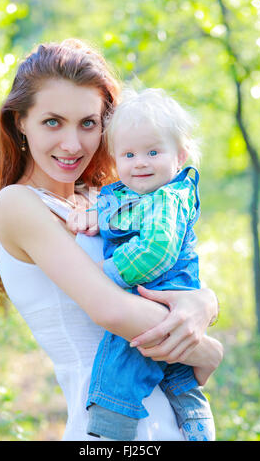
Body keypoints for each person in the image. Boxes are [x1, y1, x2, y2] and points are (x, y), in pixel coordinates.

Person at [0, 39, 222, 441]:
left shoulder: (103, 199)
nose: (73, 144)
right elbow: (111, 310)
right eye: (53, 121)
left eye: (88, 123)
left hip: (174, 423)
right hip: (111, 430)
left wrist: (204, 302)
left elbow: (172, 269)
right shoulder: (18, 205)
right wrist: (207, 350)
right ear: (20, 121)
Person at [66, 88, 215, 441]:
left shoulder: (168, 197)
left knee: (124, 363)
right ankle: (194, 424)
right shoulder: (127, 193)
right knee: (177, 375)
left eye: (153, 152)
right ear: (115, 159)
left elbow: (155, 253)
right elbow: (114, 208)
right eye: (129, 154)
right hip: (155, 302)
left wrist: (103, 275)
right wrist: (95, 212)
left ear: (179, 156)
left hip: (158, 293)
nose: (141, 162)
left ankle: (110, 432)